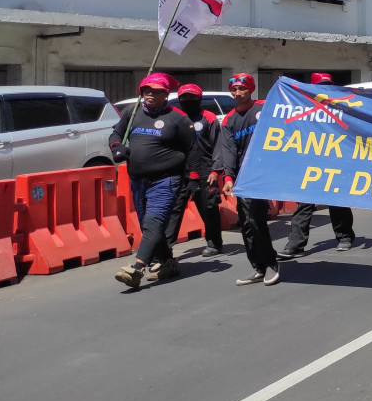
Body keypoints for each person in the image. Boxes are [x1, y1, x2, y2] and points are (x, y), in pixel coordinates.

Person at [109, 73, 196, 288]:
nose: (149, 94)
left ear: (166, 95)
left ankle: (137, 268)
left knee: (153, 223)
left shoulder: (178, 119)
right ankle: (168, 263)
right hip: (138, 181)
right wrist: (117, 147)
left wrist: (194, 178)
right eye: (146, 90)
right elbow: (115, 135)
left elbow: (193, 150)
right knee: (148, 226)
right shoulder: (132, 113)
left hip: (166, 180)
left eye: (156, 91)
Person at [278, 73, 357, 259]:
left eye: (328, 85)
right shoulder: (301, 108)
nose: (325, 89)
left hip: (333, 159)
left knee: (336, 200)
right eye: (321, 86)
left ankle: (345, 236)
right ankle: (295, 245)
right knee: (304, 202)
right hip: (309, 161)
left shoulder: (341, 107)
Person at [217, 73, 281, 286]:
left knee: (255, 219)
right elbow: (228, 151)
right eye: (234, 90)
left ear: (251, 89)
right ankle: (259, 267)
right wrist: (228, 178)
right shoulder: (229, 120)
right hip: (245, 177)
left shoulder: (266, 106)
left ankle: (271, 263)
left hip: (266, 172)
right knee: (247, 223)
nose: (237, 93)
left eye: (242, 89)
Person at [166, 84, 224, 258]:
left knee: (208, 208)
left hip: (205, 170)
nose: (188, 101)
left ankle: (214, 243)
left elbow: (218, 146)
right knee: (174, 209)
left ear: (199, 98)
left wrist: (216, 170)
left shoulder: (209, 117)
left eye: (192, 97)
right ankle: (166, 248)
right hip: (180, 171)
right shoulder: (176, 117)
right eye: (184, 98)